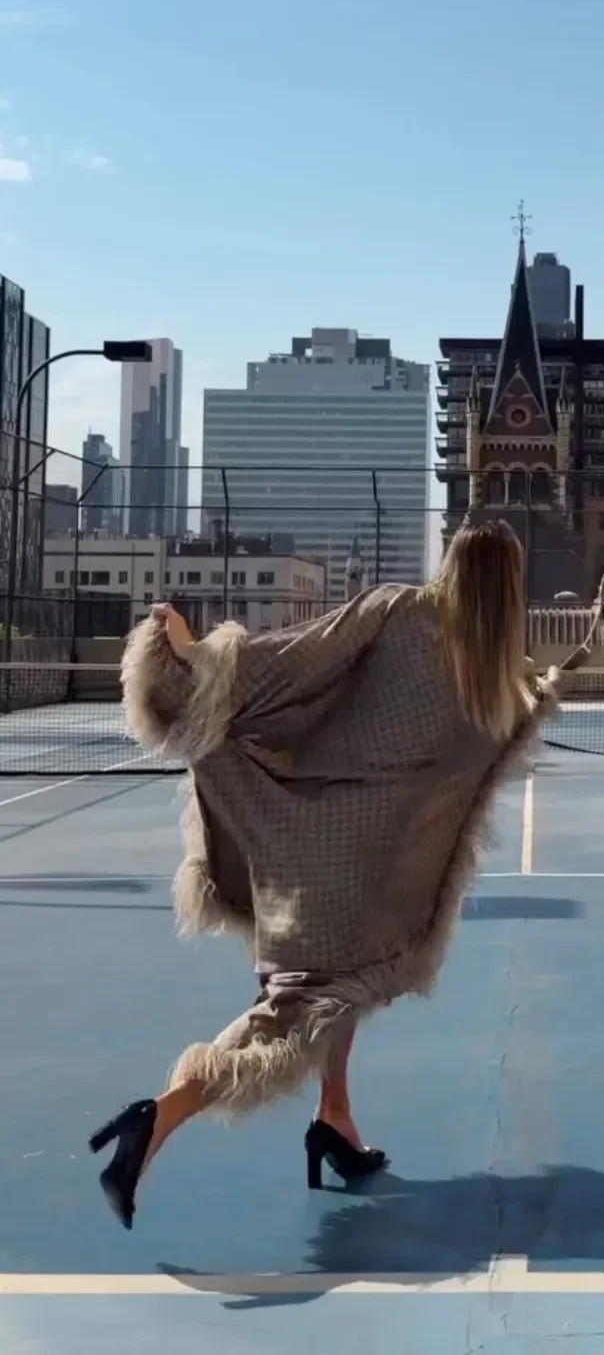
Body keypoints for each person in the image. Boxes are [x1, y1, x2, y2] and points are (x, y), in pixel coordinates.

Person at [90, 519, 559, 1229]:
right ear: (510, 589)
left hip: (314, 837)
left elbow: (299, 658)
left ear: (453, 568)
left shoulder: (400, 611)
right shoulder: (493, 688)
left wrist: (196, 655)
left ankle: (334, 1116)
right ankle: (159, 1116)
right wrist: (537, 699)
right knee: (292, 1018)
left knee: (328, 996)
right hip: (377, 878)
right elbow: (485, 760)